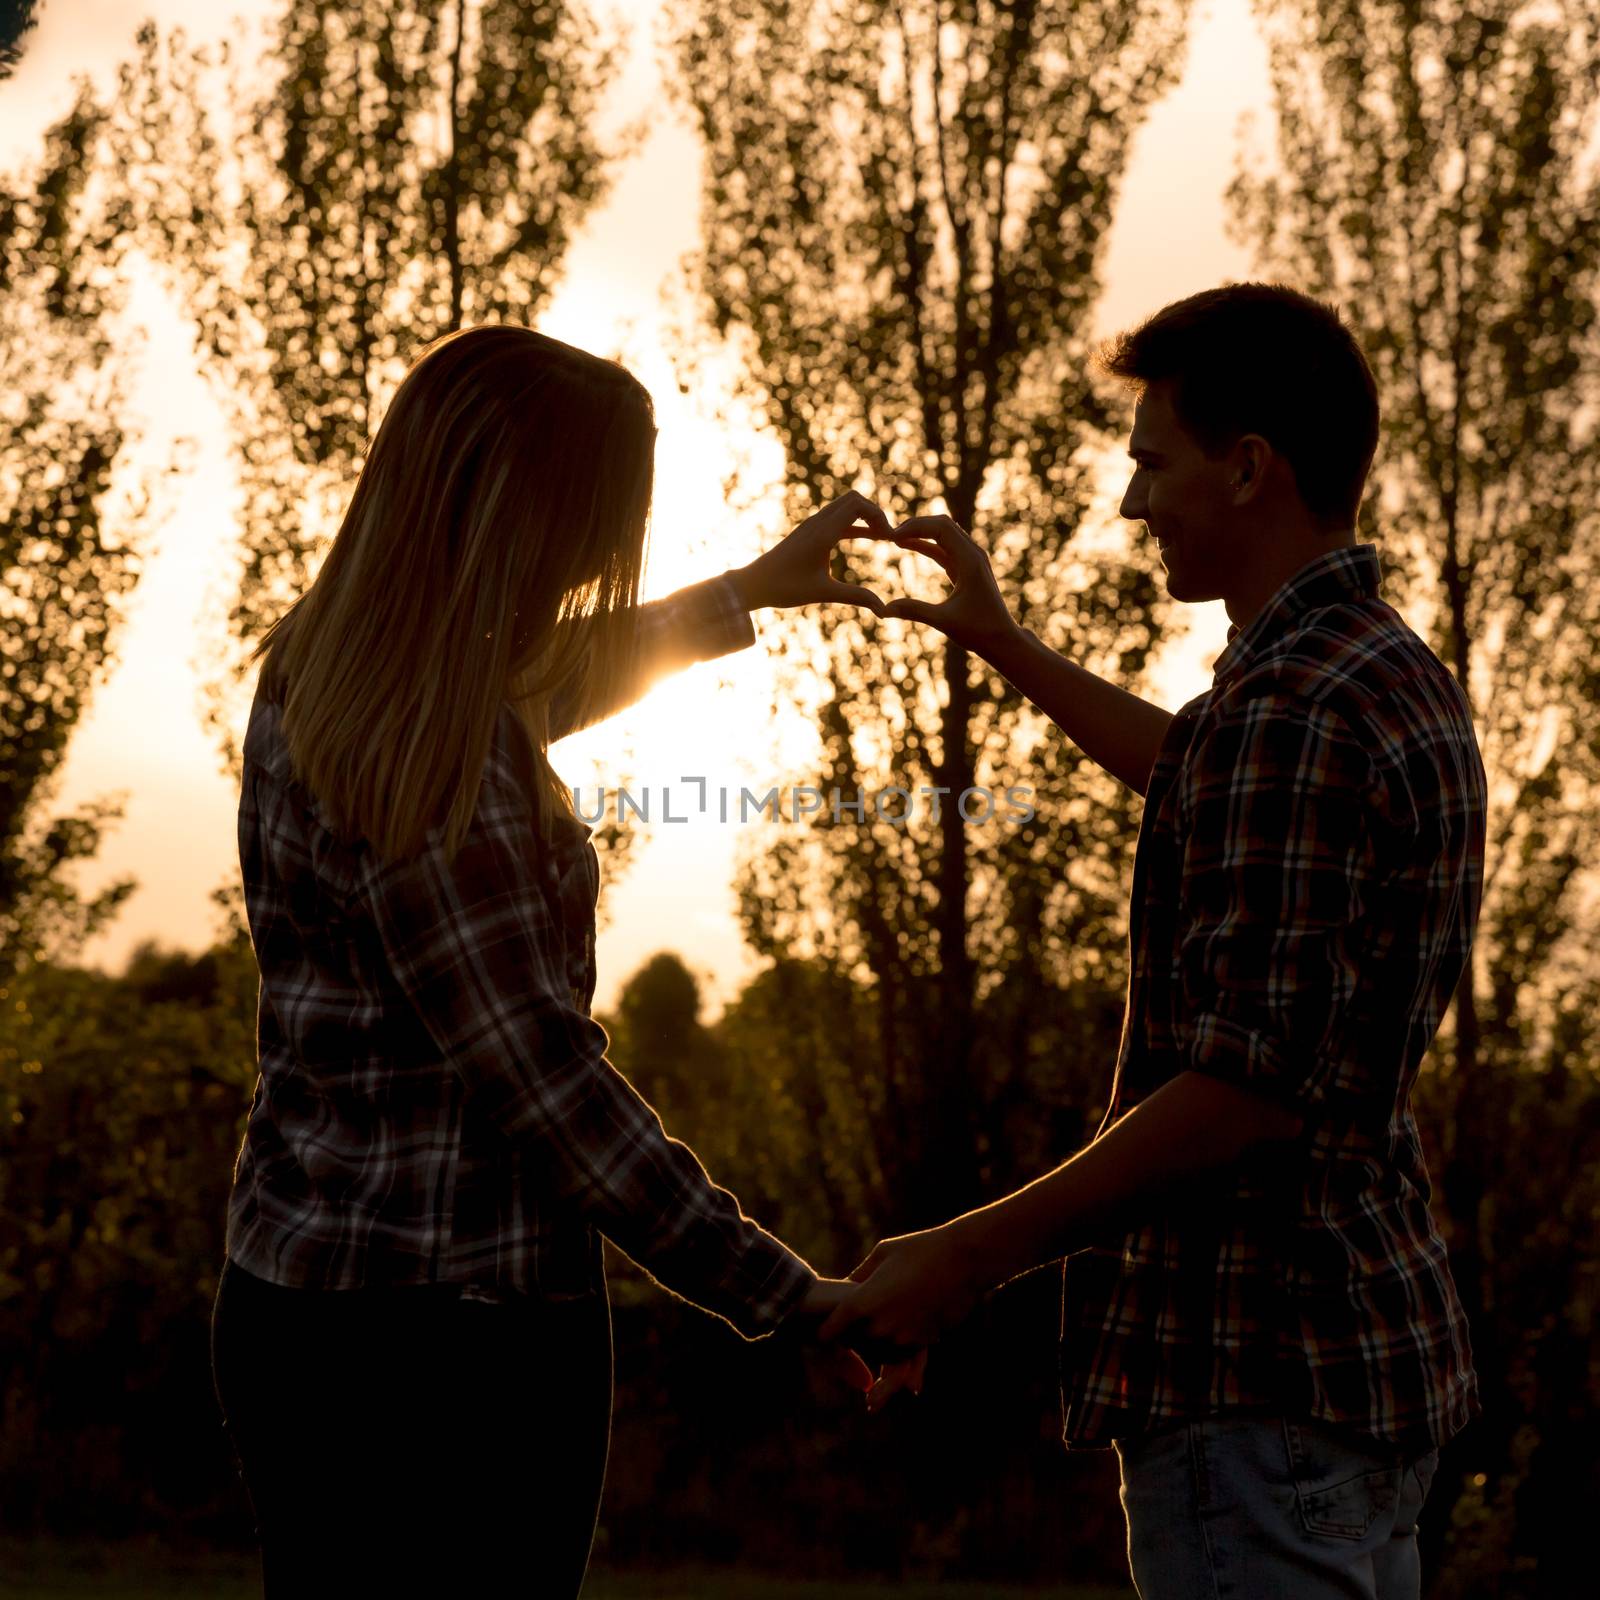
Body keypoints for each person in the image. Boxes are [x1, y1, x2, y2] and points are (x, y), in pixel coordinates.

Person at [824, 283, 1484, 1600]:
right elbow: (1201, 773)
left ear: (1249, 469)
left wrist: (966, 1259)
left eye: (1151, 464)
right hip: (1351, 1360)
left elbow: (1240, 1093)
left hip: (1254, 1382)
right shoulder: (1367, 670)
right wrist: (1001, 642)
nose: (1131, 507)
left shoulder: (1292, 709)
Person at [209, 323, 892, 1597]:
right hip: (460, 1349)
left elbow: (550, 675)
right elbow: (551, 1095)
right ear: (531, 522)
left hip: (302, 1300)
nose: (590, 569)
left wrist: (751, 589)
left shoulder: (330, 672)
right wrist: (786, 1295)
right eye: (589, 534)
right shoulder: (440, 769)